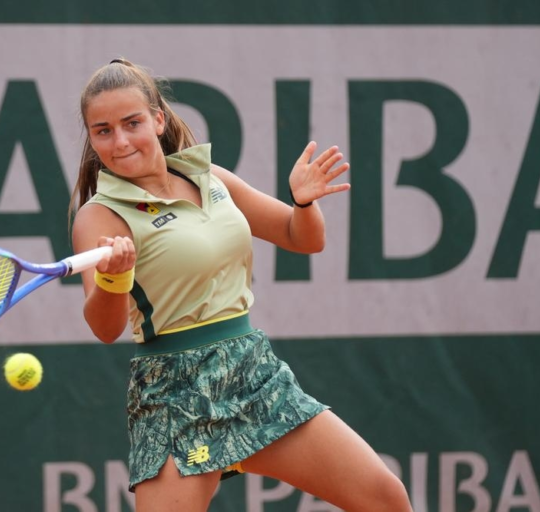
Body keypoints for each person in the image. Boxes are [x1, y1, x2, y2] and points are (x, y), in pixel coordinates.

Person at [69, 58, 412, 512]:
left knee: (386, 499)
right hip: (176, 397)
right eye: (103, 130)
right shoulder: (99, 214)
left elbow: (300, 236)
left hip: (253, 375)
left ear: (158, 118)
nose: (120, 141)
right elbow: (104, 326)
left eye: (132, 123)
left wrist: (303, 201)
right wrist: (115, 278)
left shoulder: (211, 179)